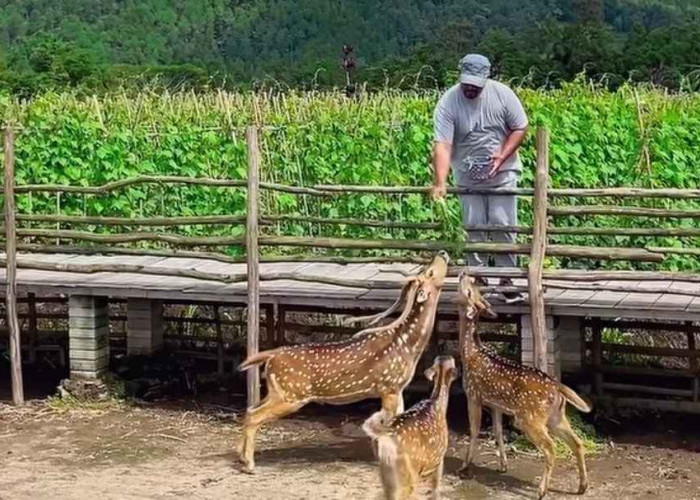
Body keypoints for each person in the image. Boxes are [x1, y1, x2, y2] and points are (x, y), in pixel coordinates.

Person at [431, 53, 528, 303]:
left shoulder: (503, 95)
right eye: (467, 84)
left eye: (476, 84)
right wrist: (440, 182)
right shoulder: (449, 103)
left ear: (486, 79)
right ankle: (478, 277)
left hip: (502, 172)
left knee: (502, 223)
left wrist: (503, 155)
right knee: (473, 226)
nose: (471, 89)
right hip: (467, 173)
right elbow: (442, 144)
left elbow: (520, 127)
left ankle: (507, 279)